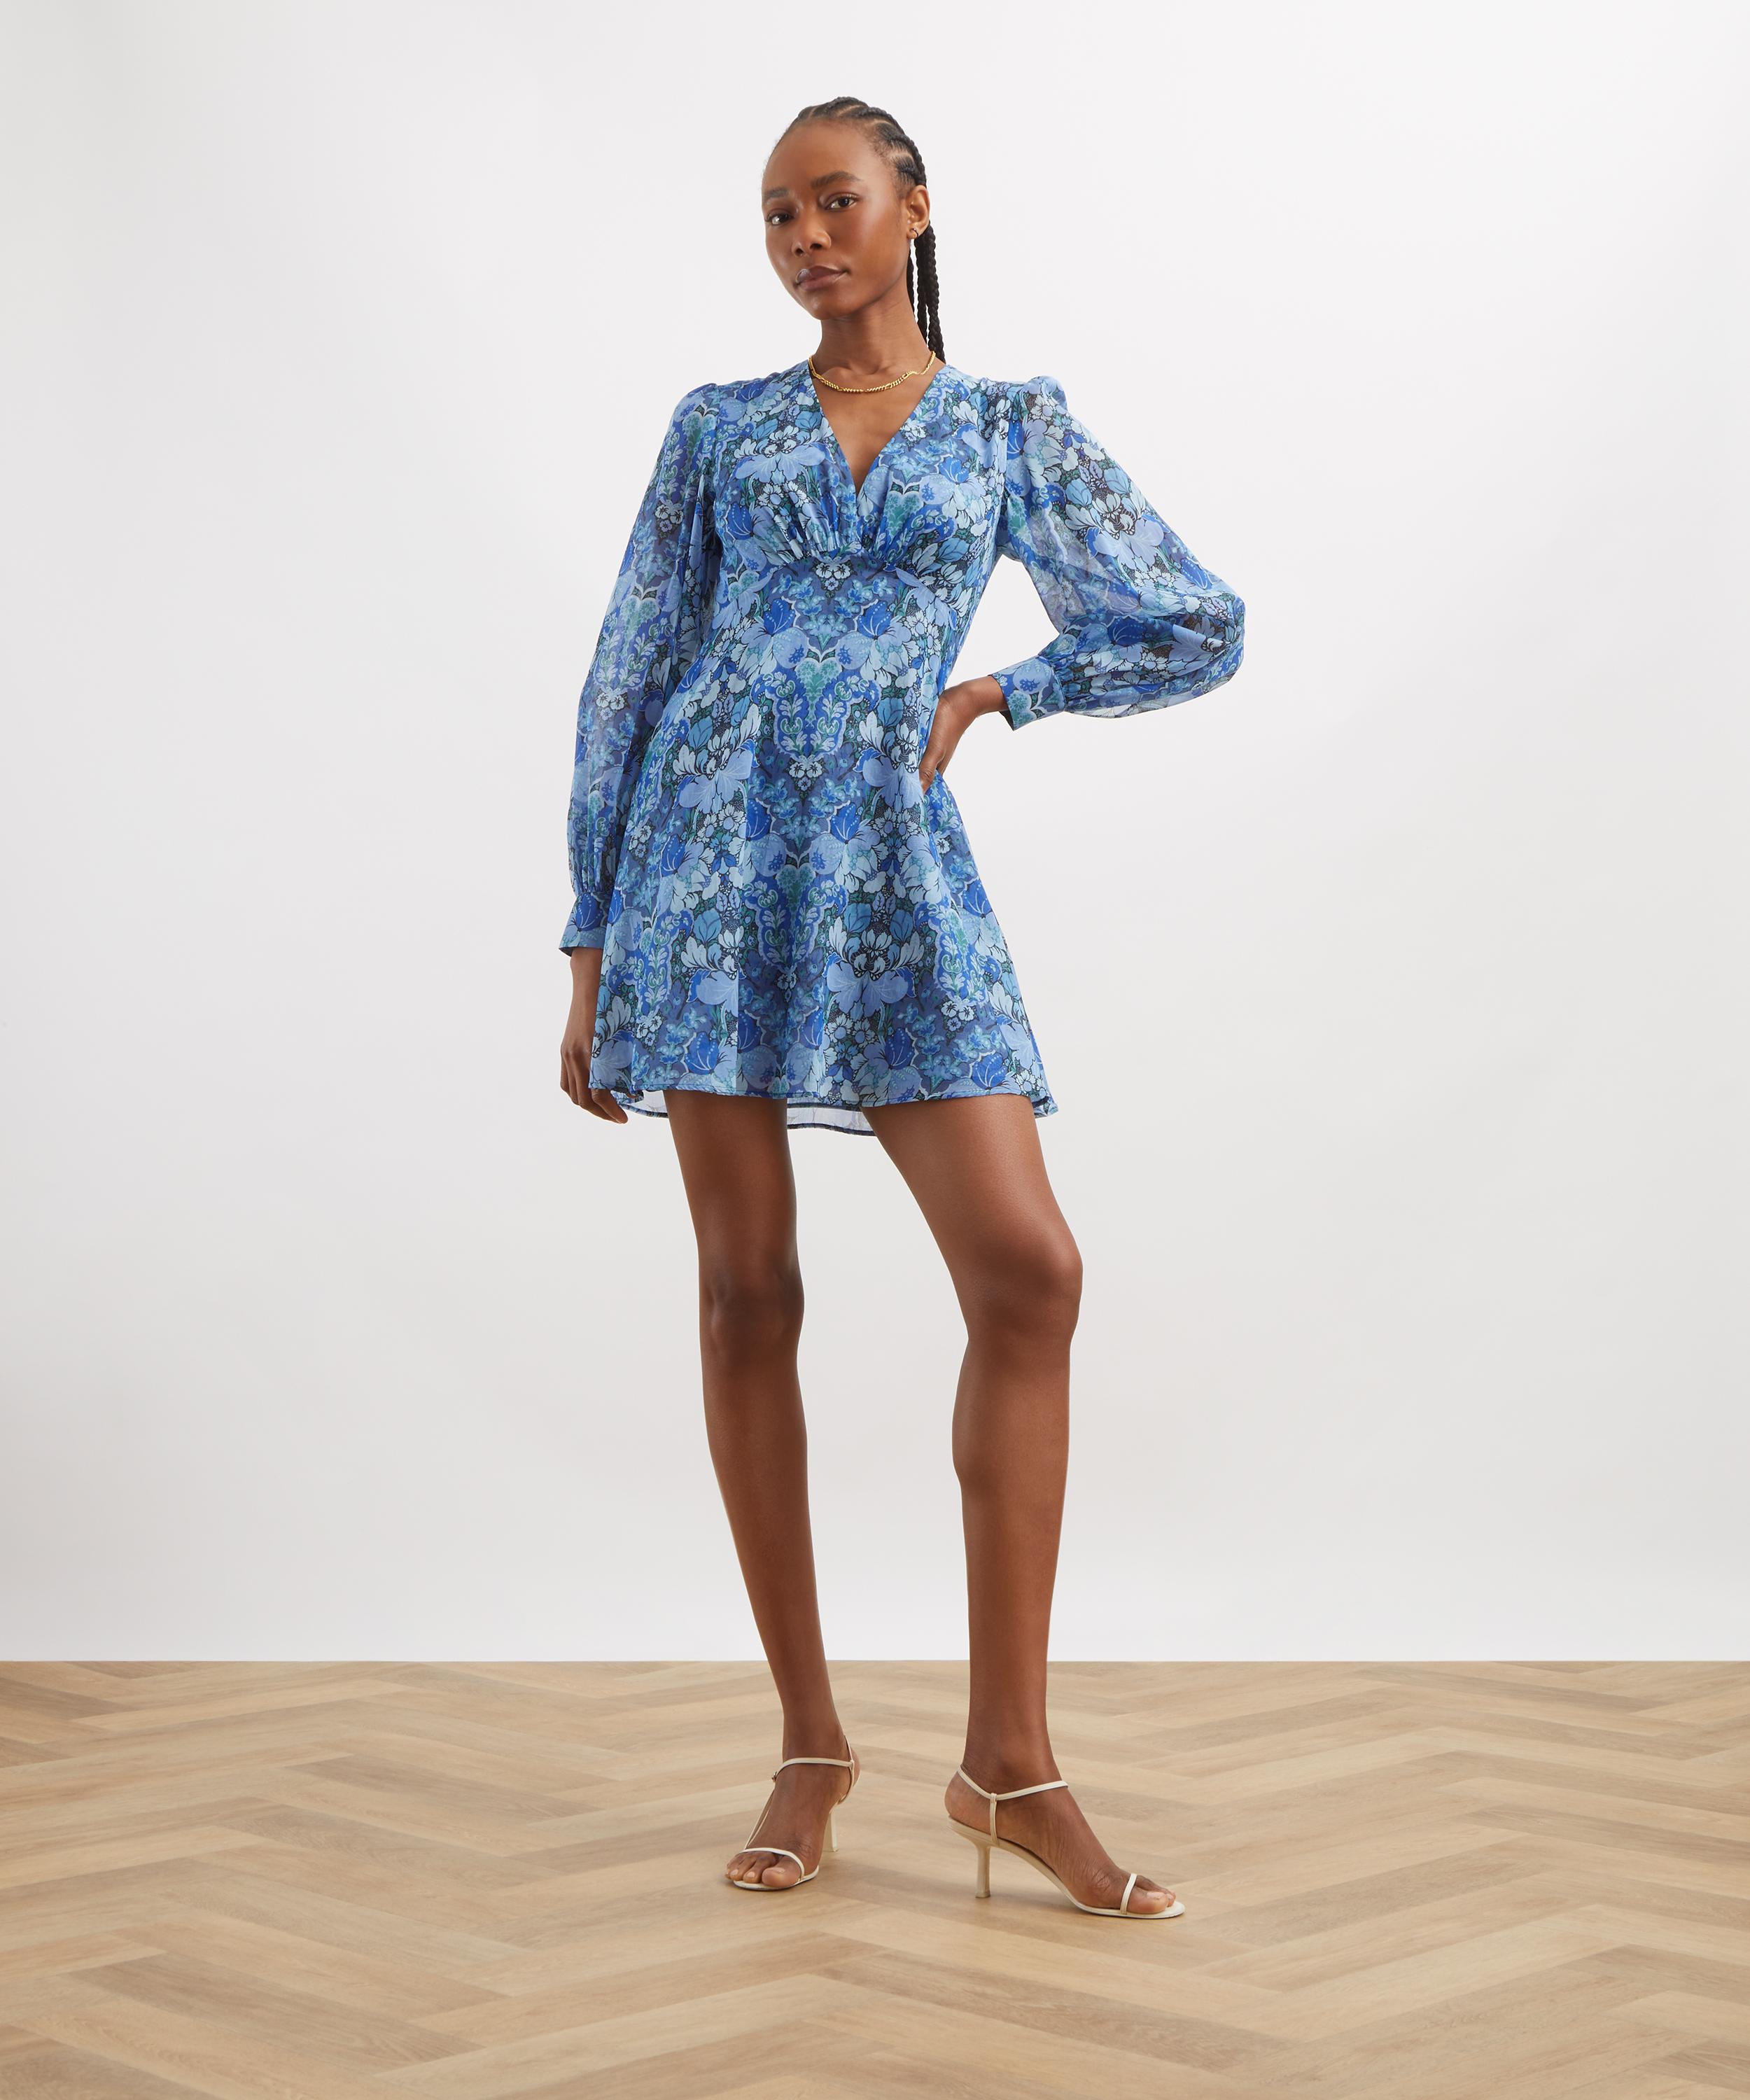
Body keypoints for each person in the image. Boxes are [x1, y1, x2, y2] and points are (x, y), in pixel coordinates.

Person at [558, 96, 1244, 1919]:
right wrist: (590, 939)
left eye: (836, 200)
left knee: (1029, 1271)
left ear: (913, 206)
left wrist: (1006, 693)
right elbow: (629, 672)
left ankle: (1008, 1759)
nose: (806, 237)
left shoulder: (1011, 429)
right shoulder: (717, 428)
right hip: (704, 874)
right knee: (746, 1290)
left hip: (889, 874)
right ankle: (809, 1743)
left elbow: (1195, 622)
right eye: (777, 213)